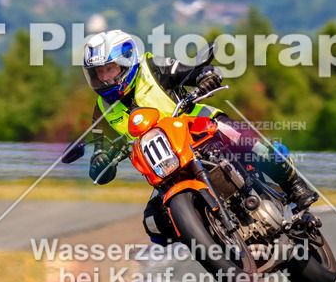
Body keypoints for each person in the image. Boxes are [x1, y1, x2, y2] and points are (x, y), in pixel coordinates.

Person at [81, 30, 318, 242]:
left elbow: (191, 71)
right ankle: (209, 234)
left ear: (126, 61)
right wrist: (100, 159)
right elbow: (99, 151)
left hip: (200, 130)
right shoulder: (101, 110)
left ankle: (294, 184)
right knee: (154, 223)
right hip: (166, 167)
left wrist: (206, 75)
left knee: (250, 145)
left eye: (109, 69)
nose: (105, 78)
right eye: (98, 72)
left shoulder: (152, 68)